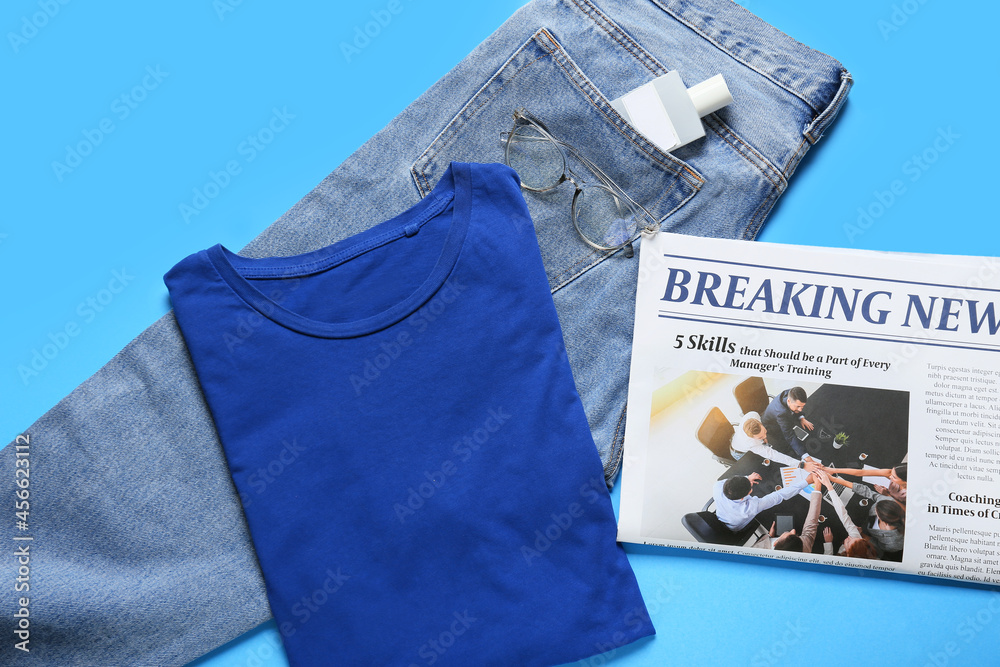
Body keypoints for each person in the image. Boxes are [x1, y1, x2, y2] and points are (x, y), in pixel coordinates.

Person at [813, 470, 880, 559]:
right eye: (854, 538)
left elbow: (827, 560)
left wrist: (828, 544)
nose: (849, 537)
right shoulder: (857, 540)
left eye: (848, 542)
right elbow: (843, 514)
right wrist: (828, 485)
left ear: (848, 553)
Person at [713, 472, 809, 532]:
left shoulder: (717, 486)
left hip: (721, 515)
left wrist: (747, 478)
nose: (751, 488)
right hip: (735, 527)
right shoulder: (750, 508)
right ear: (742, 498)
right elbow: (778, 496)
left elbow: (732, 481)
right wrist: (807, 481)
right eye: (750, 489)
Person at [732, 412, 804, 468]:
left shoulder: (753, 415)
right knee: (757, 467)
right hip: (739, 452)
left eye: (765, 432)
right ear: (752, 437)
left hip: (737, 438)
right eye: (760, 437)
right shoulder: (750, 443)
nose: (765, 436)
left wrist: (763, 438)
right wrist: (799, 464)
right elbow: (773, 455)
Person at [761, 386, 813, 458]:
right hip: (771, 426)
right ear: (788, 401)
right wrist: (805, 455)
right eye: (798, 406)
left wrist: (801, 418)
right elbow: (790, 436)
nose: (800, 410)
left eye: (802, 406)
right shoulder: (781, 413)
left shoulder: (792, 392)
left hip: (782, 417)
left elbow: (797, 409)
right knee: (786, 446)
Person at [822, 463, 907, 505]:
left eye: (894, 477)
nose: (890, 477)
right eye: (891, 474)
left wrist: (886, 495)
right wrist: (834, 470)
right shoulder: (891, 473)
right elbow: (861, 472)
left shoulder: (907, 496)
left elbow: (900, 507)